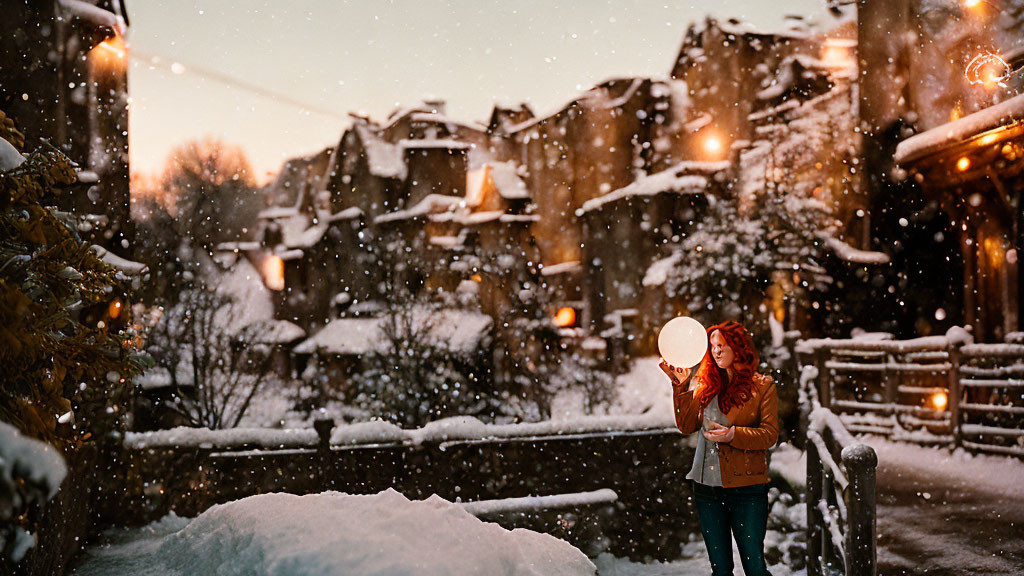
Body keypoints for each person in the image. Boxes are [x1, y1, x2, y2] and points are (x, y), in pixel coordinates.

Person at [660, 319, 778, 576]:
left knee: (754, 567)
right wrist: (680, 386)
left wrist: (733, 435)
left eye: (722, 344)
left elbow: (769, 435)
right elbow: (686, 425)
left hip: (747, 488)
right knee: (721, 569)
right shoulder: (705, 384)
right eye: (713, 345)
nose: (716, 350)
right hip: (707, 487)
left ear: (739, 347)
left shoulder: (762, 386)